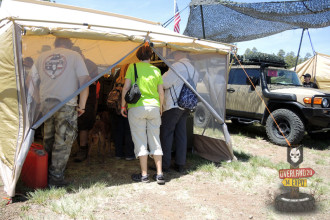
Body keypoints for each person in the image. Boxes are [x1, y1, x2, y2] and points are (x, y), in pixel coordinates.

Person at [31, 37, 90, 187]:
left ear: (55, 44)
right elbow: (85, 82)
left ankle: (43, 174)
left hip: (47, 104)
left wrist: (38, 100)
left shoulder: (41, 57)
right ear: (69, 45)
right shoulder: (75, 56)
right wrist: (82, 106)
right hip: (66, 103)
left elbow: (29, 81)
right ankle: (55, 180)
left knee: (48, 140)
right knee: (63, 141)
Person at [121, 43, 165, 185]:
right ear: (151, 55)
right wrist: (161, 107)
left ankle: (144, 175)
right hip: (154, 107)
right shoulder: (156, 70)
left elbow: (126, 87)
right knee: (155, 139)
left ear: (138, 55)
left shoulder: (132, 67)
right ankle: (159, 174)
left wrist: (123, 105)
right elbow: (161, 92)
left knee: (140, 140)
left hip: (137, 107)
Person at [160, 50, 199, 173]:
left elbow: (164, 83)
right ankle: (180, 164)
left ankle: (164, 165)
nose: (173, 56)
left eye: (174, 54)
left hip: (173, 105)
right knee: (181, 135)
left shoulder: (177, 66)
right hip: (186, 105)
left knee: (166, 134)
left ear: (179, 54)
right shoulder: (194, 69)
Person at [71, 46, 99, 163]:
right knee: (77, 125)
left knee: (83, 125)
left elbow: (89, 81)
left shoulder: (90, 64)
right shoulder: (74, 63)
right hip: (75, 98)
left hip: (88, 99)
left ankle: (83, 149)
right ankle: (80, 149)